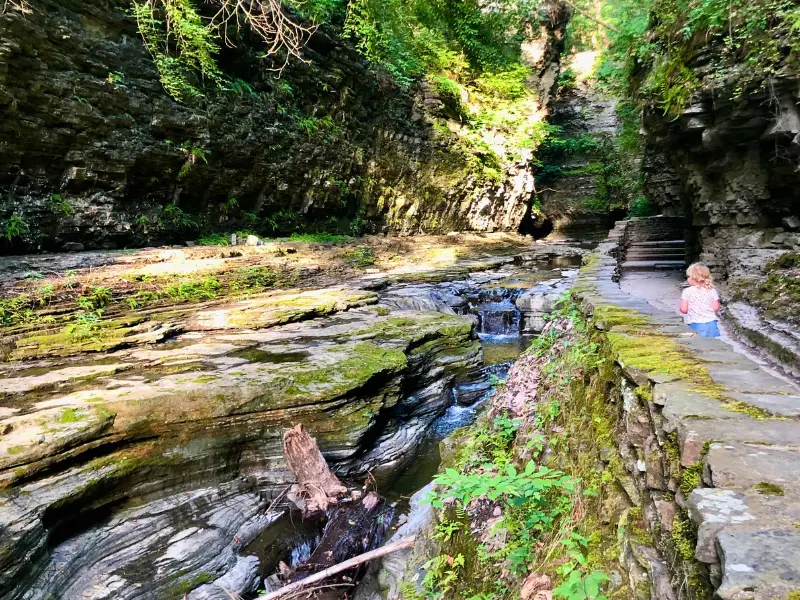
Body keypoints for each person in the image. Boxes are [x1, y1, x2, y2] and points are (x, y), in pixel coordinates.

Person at [679, 262, 721, 337]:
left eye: (688, 276)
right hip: (711, 323)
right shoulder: (712, 290)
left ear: (694, 277)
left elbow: (683, 309)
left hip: (696, 323)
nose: (687, 279)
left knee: (698, 344)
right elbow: (715, 307)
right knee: (711, 344)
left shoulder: (687, 291)